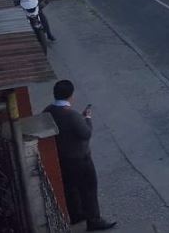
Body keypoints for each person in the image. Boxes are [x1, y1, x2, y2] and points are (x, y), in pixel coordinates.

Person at [44, 80, 117, 231]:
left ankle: (76, 214)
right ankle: (94, 220)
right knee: (88, 190)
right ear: (71, 96)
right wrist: (88, 119)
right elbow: (85, 133)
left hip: (62, 158)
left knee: (71, 188)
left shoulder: (48, 111)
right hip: (80, 160)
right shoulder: (72, 115)